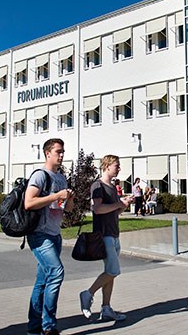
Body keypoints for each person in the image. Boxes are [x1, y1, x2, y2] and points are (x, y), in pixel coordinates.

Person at [24, 138, 74, 335]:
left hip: (55, 235)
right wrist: (55, 196)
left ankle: (34, 327)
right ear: (47, 153)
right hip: (39, 234)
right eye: (58, 152)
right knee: (56, 273)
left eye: (63, 151)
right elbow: (28, 203)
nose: (61, 155)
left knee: (43, 281)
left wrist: (69, 198)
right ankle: (49, 326)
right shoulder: (39, 175)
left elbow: (67, 209)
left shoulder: (61, 178)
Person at [79, 155, 134, 322]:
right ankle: (87, 294)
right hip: (104, 235)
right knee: (113, 271)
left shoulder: (112, 186)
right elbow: (97, 209)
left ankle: (106, 308)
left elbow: (113, 212)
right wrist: (118, 204)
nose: (119, 168)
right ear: (107, 166)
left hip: (114, 233)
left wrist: (122, 205)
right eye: (117, 165)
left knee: (110, 272)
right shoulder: (98, 185)